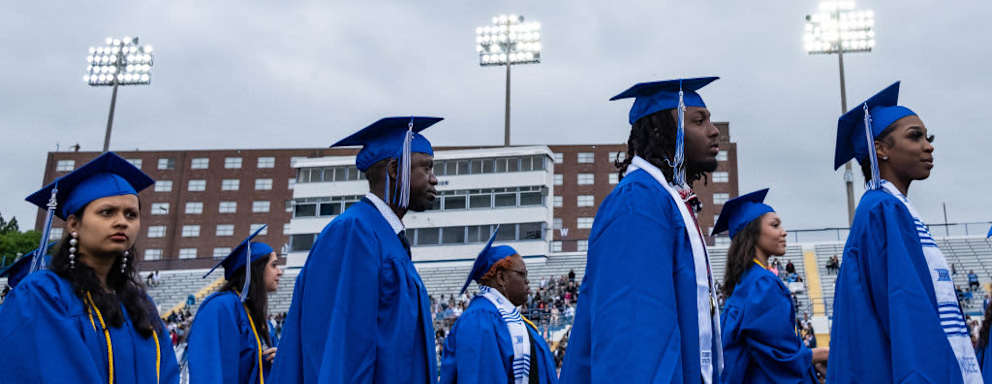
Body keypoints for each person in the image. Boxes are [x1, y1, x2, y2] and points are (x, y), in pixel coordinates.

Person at [560, 77, 724, 383]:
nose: (714, 131)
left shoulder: (663, 199)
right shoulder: (637, 204)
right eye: (699, 121)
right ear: (663, 132)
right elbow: (635, 346)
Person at [828, 82, 981, 382]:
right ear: (881, 149)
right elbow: (906, 309)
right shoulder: (883, 209)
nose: (928, 145)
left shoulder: (891, 206)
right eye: (915, 137)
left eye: (928, 137)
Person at [271, 116, 442, 383]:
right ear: (395, 169)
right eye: (427, 168)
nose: (435, 179)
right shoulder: (354, 232)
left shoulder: (386, 235)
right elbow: (343, 348)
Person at [0, 152, 179, 383]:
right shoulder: (43, 294)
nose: (122, 222)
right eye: (107, 212)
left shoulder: (141, 304)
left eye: (131, 214)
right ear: (74, 224)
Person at [713, 189, 828, 383]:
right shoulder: (762, 284)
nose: (784, 232)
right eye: (775, 225)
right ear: (752, 233)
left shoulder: (746, 281)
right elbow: (780, 356)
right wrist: (820, 354)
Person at [439, 227, 558, 384]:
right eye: (522, 274)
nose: (527, 281)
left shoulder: (509, 320)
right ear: (501, 277)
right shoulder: (480, 319)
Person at [186, 225, 284, 383]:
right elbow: (207, 368)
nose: (280, 271)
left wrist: (279, 359)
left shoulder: (263, 321)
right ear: (255, 269)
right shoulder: (221, 307)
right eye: (273, 265)